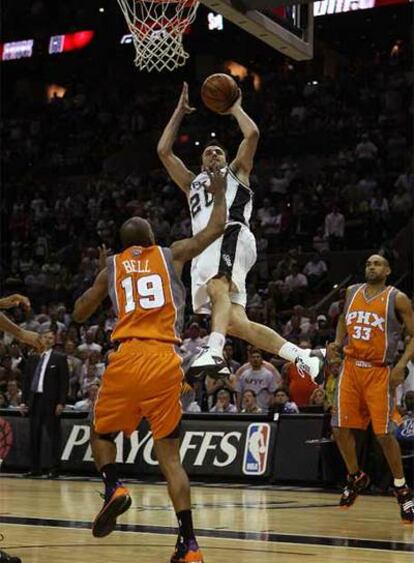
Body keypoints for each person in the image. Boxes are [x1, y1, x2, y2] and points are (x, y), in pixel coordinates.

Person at [72, 167, 228, 563]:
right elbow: (214, 230)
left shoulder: (112, 267)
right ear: (152, 240)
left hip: (126, 357)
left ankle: (114, 487)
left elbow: (78, 314)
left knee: (100, 432)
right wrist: (220, 190)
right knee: (170, 458)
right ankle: (189, 545)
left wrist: (99, 284)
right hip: (164, 360)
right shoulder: (170, 254)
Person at [157, 82, 324, 383]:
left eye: (219, 152)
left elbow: (252, 135)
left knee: (217, 288)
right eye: (208, 153)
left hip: (231, 234)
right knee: (237, 323)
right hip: (205, 247)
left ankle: (214, 348)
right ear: (201, 162)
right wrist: (178, 112)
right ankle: (303, 356)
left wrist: (234, 108)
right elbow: (164, 151)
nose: (213, 155)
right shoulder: (192, 183)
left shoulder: (237, 173)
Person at [328, 254, 414, 523]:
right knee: (339, 428)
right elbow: (343, 318)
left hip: (380, 370)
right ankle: (355, 476)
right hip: (351, 366)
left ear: (387, 270)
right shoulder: (352, 292)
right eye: (367, 263)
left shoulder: (397, 298)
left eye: (377, 264)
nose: (371, 267)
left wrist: (401, 365)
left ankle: (401, 488)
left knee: (384, 434)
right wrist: (337, 343)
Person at [21, 328, 69, 478]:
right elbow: (27, 381)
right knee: (34, 435)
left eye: (51, 338)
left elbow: (64, 382)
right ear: (40, 340)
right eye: (45, 337)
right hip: (35, 400)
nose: (48, 340)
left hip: (51, 402)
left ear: (54, 341)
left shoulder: (59, 358)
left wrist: (61, 402)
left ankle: (55, 468)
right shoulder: (33, 357)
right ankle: (35, 469)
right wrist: (24, 401)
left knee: (53, 436)